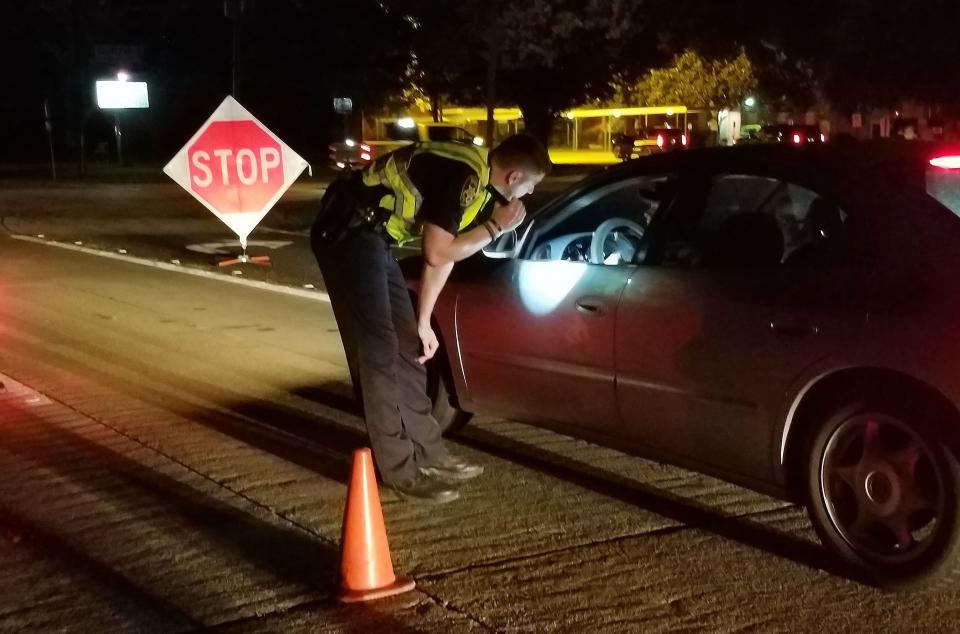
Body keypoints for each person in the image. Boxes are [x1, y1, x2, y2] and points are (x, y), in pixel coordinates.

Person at [311, 134, 551, 503]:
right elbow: (438, 252)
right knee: (378, 352)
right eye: (531, 186)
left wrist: (423, 322)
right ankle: (400, 470)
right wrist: (495, 228)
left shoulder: (485, 189)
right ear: (515, 176)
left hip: (374, 238)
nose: (529, 195)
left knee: (408, 346)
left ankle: (430, 454)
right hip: (347, 233)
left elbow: (445, 256)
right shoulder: (464, 176)